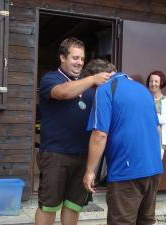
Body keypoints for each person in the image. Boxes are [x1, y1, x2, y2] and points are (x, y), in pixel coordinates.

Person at [35, 38, 112, 225]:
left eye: (82, 59)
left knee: (73, 205)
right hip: (55, 154)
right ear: (62, 57)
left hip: (83, 156)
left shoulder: (90, 88)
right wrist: (93, 78)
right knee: (49, 205)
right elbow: (63, 93)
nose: (79, 62)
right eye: (75, 58)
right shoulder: (50, 78)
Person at [83, 59, 163, 225]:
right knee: (146, 221)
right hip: (153, 168)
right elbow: (157, 129)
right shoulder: (143, 90)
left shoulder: (105, 89)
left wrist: (90, 171)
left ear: (98, 76)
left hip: (127, 171)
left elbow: (99, 134)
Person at [146, 71, 166, 159]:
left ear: (161, 83)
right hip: (143, 135)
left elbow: (164, 119)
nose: (153, 84)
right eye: (151, 81)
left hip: (158, 138)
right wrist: (155, 115)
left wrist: (145, 115)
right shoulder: (143, 98)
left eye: (156, 81)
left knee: (155, 164)